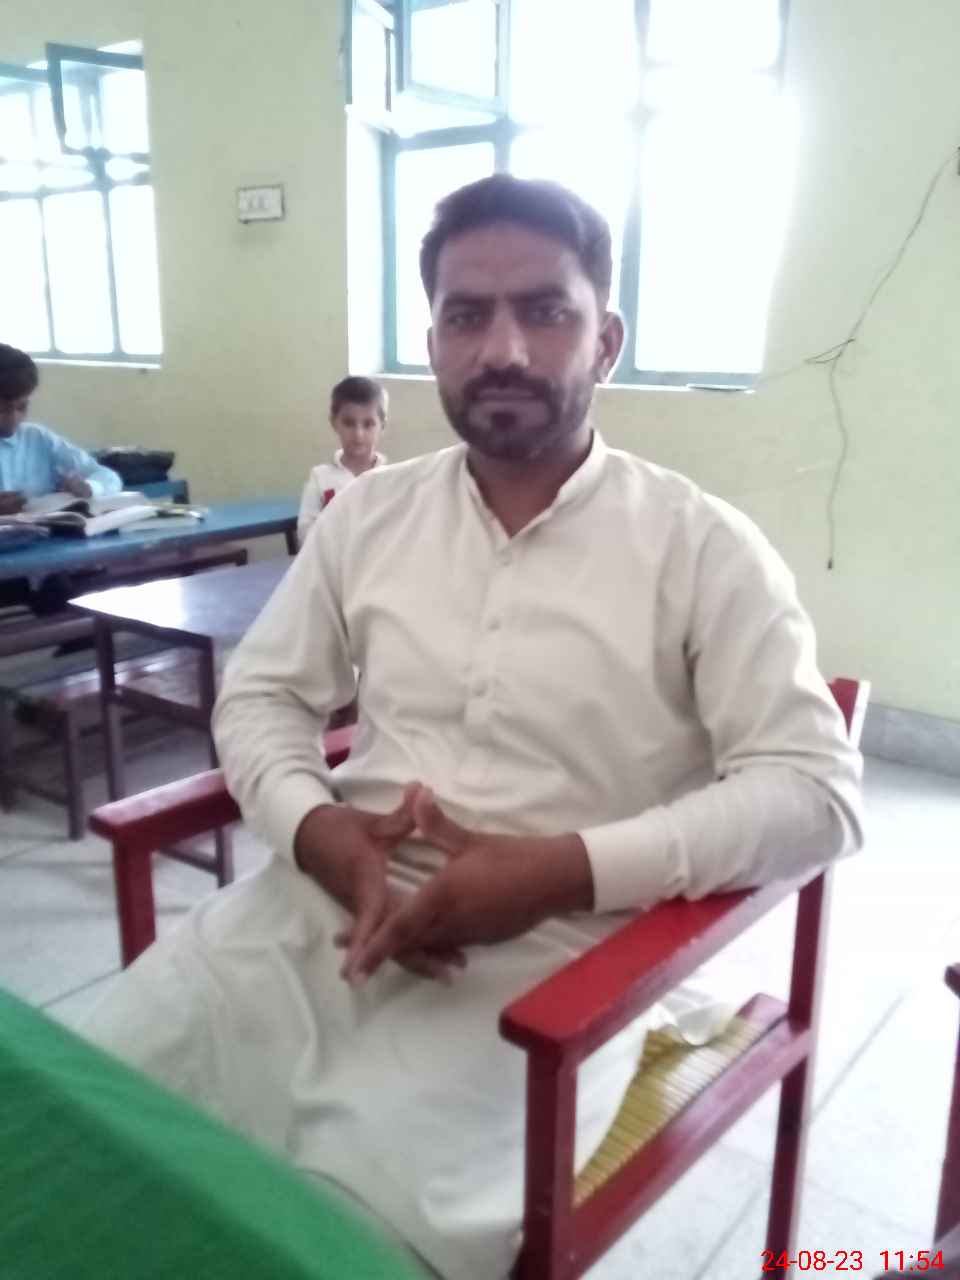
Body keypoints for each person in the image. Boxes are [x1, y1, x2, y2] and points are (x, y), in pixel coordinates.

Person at [84, 176, 864, 1280]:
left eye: (545, 310)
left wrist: (562, 871)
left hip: (551, 969)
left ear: (606, 342)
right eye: (466, 315)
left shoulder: (702, 547)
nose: (502, 348)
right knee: (90, 1114)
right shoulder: (369, 517)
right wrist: (316, 829)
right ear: (433, 345)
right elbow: (261, 697)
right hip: (310, 914)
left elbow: (817, 791)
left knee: (343, 1235)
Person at [0, 343, 123, 617]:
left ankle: (82, 637)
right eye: (2, 409)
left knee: (86, 591)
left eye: (21, 407)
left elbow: (107, 476)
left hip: (43, 560)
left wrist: (89, 487)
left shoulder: (37, 439)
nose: (13, 419)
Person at [296, 375, 388, 545]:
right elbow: (305, 531)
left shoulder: (390, 478)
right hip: (331, 559)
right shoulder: (320, 477)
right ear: (334, 423)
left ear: (382, 425)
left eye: (368, 424)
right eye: (349, 423)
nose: (358, 434)